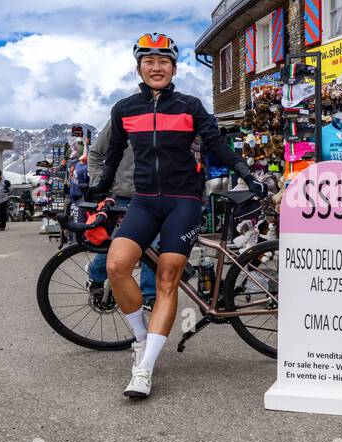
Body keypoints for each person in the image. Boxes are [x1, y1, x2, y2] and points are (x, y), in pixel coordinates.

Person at [86, 32, 266, 400]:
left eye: (163, 61)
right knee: (117, 265)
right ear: (139, 67)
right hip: (144, 200)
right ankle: (141, 337)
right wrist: (98, 188)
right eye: (149, 61)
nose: (156, 67)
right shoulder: (124, 109)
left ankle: (145, 368)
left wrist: (248, 174)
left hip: (184, 200)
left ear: (173, 67)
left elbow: (217, 145)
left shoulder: (189, 105)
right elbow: (114, 153)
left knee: (168, 276)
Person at [87, 114, 157, 306]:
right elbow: (95, 154)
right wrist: (102, 183)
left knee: (154, 247)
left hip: (159, 196)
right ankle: (96, 273)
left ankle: (149, 297)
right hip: (126, 196)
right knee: (119, 246)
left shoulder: (170, 116)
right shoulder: (123, 117)